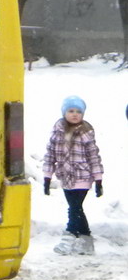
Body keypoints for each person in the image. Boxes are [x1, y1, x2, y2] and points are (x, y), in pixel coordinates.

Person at [43, 95, 104, 256]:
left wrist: (98, 179)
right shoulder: (57, 133)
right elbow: (50, 156)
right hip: (66, 177)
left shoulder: (86, 133)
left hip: (83, 176)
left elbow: (93, 156)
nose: (75, 114)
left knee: (74, 208)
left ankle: (68, 237)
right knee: (76, 208)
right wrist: (47, 177)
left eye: (78, 111)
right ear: (64, 112)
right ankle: (86, 240)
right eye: (71, 111)